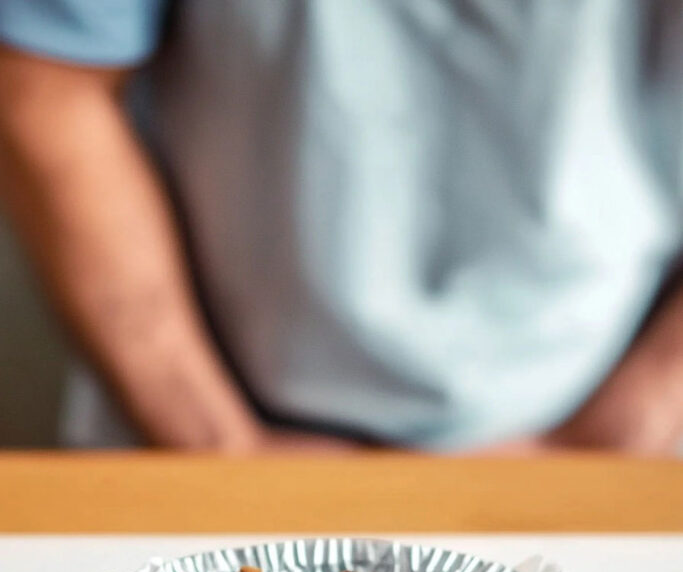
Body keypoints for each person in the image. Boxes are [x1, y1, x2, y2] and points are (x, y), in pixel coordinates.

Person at [0, 1, 681, 454]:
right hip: (200, 411)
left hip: (610, 412)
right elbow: (48, 86)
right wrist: (216, 441)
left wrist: (623, 430)